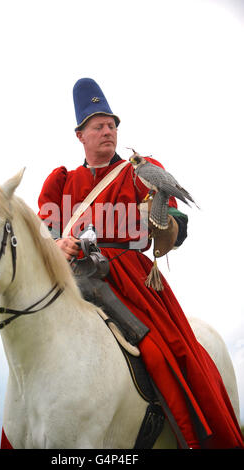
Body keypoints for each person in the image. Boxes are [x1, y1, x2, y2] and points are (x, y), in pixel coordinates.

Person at [38, 78, 244, 449]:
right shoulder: (62, 182)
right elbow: (46, 230)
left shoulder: (141, 171)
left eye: (112, 125)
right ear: (80, 135)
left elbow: (178, 226)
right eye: (99, 126)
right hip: (70, 279)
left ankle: (192, 435)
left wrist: (162, 224)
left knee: (165, 354)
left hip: (129, 279)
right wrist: (58, 242)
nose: (108, 131)